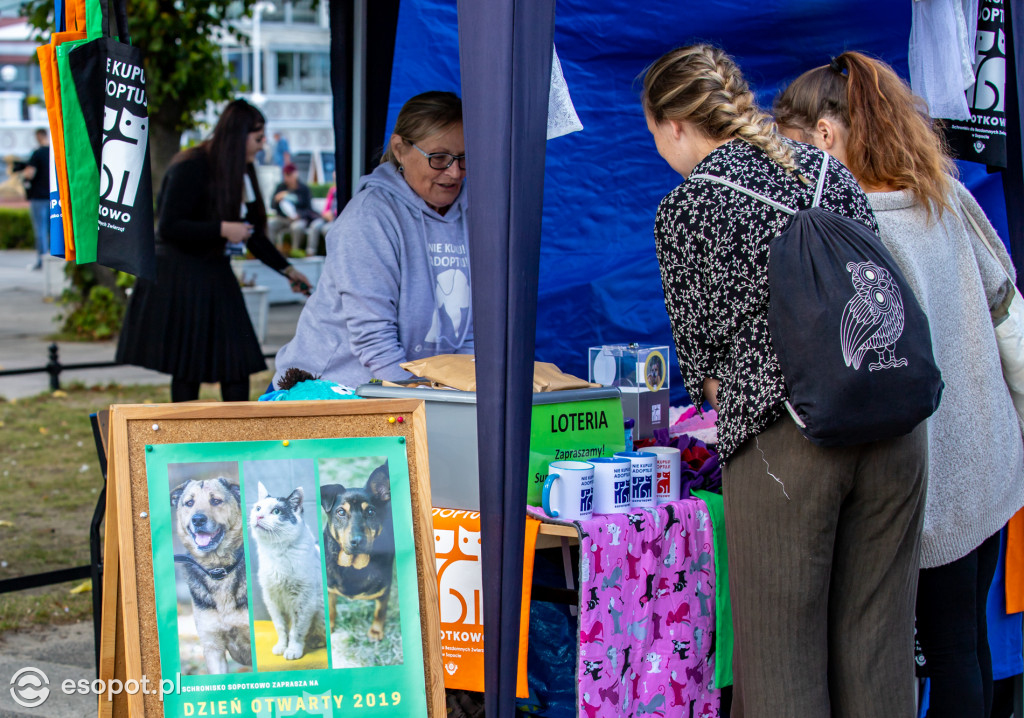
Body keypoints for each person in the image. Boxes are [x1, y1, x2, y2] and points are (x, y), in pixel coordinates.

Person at [642, 45, 928, 717]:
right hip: (892, 423)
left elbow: (706, 366)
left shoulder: (688, 207)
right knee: (878, 650)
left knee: (781, 663)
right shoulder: (832, 172)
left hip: (788, 441)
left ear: (674, 124)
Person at [775, 51, 1024, 718]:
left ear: (825, 135)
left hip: (929, 467)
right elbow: (1006, 304)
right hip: (988, 451)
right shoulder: (945, 195)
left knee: (940, 654)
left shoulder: (857, 227)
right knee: (966, 641)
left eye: (792, 144)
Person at [273, 90, 471, 389]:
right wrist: (425, 401)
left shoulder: (475, 216)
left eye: (464, 158)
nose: (454, 172)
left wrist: (463, 388)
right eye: (439, 158)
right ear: (400, 149)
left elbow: (472, 332)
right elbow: (374, 340)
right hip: (328, 390)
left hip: (408, 392)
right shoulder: (369, 218)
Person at [116, 99, 312, 402]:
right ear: (238, 135)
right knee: (187, 367)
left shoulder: (242, 171)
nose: (262, 146)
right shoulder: (191, 164)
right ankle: (184, 442)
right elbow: (169, 227)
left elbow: (251, 234)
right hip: (180, 276)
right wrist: (221, 229)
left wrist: (287, 270)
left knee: (237, 361)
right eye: (258, 138)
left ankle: (237, 440)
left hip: (213, 271)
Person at [268, 163, 325, 254]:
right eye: (286, 175)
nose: (287, 178)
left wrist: (299, 215)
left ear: (295, 174)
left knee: (297, 227)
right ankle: (271, 252)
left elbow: (309, 209)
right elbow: (272, 206)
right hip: (283, 218)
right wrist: (276, 200)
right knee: (270, 223)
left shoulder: (303, 189)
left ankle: (295, 251)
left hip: (299, 218)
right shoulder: (281, 187)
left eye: (289, 175)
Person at [22, 129, 49, 270]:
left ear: (39, 136)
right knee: (55, 230)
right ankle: (57, 261)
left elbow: (29, 174)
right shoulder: (54, 152)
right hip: (54, 198)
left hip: (39, 197)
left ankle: (42, 261)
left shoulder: (37, 153)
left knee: (40, 231)